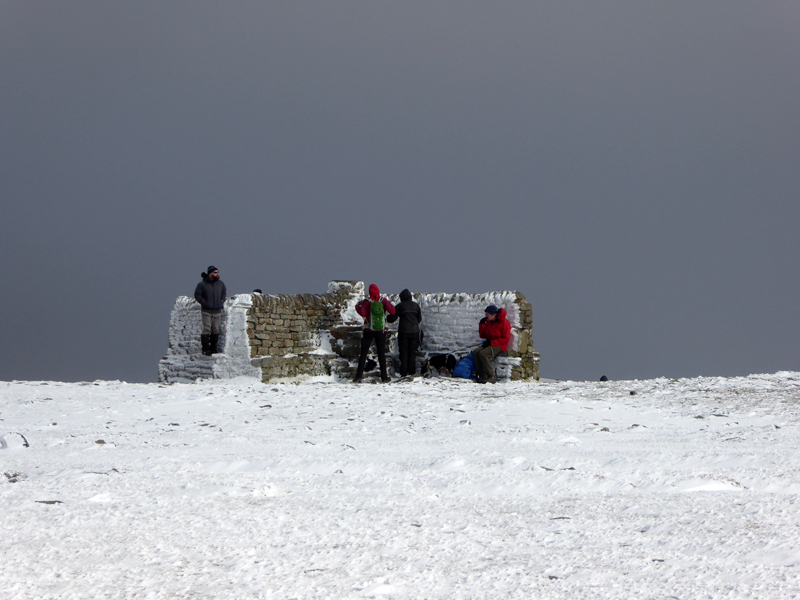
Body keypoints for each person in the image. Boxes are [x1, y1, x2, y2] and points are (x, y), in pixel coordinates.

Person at [354, 284, 396, 383]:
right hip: (381, 331)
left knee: (363, 354)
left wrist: (357, 306)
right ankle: (384, 377)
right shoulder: (383, 301)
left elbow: (363, 313)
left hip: (369, 330)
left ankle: (358, 377)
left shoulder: (367, 302)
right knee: (381, 354)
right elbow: (393, 311)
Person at [386, 289, 422, 377]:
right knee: (412, 352)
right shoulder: (416, 306)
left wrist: (387, 317)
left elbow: (392, 318)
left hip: (404, 331)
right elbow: (419, 319)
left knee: (403, 352)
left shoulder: (400, 306)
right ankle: (412, 371)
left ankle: (404, 372)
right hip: (414, 332)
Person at [472, 304, 511, 384]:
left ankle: (491, 376)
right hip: (490, 343)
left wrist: (492, 342)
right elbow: (483, 335)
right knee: (476, 352)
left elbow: (506, 339)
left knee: (483, 354)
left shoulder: (504, 323)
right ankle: (482, 376)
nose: (486, 315)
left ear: (493, 314)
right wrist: (482, 324)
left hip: (499, 345)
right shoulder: (489, 322)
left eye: (487, 313)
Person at [194, 266, 227, 356]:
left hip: (217, 310)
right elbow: (197, 295)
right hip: (206, 310)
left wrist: (222, 300)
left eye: (218, 272)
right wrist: (204, 302)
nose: (217, 274)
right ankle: (205, 349)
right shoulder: (202, 284)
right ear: (210, 274)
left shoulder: (220, 284)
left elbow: (224, 292)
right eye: (215, 272)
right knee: (206, 329)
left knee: (215, 329)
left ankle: (213, 348)